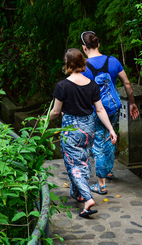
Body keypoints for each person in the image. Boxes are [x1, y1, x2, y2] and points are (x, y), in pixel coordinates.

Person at [50, 48, 117, 217]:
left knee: (73, 163)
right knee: (83, 161)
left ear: (67, 63)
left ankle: (87, 198)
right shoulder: (92, 85)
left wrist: (45, 119)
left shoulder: (62, 86)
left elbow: (56, 112)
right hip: (89, 128)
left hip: (72, 128)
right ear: (83, 63)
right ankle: (77, 193)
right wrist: (110, 129)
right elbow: (100, 110)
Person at [81, 31, 139, 195]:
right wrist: (132, 103)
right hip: (115, 106)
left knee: (99, 142)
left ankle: (101, 184)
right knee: (110, 136)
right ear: (98, 44)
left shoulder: (84, 67)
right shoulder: (113, 61)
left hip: (97, 110)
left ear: (84, 47)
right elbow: (127, 83)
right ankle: (108, 170)